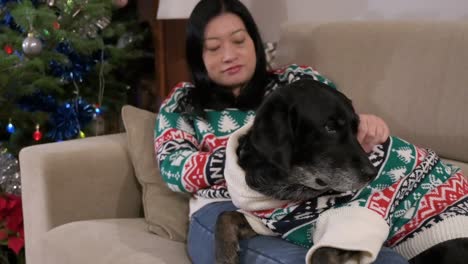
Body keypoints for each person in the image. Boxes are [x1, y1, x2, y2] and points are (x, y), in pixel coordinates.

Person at [154, 0, 407, 263]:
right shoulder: (183, 103)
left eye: (239, 41)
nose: (229, 55)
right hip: (225, 210)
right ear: (198, 56)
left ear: (255, 42)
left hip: (312, 202)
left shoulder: (296, 81)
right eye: (214, 47)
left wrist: (360, 127)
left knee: (379, 258)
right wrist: (253, 156)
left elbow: (335, 123)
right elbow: (175, 169)